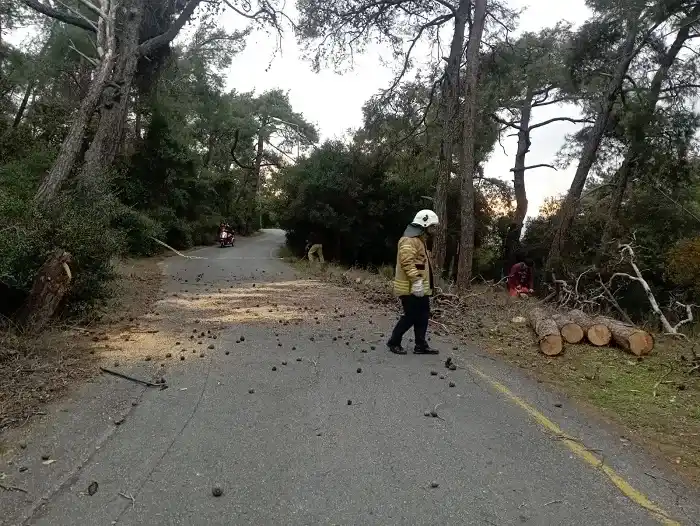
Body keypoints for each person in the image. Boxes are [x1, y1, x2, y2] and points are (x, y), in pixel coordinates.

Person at [387, 209, 440, 355]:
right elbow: (407, 262)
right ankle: (393, 342)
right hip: (410, 287)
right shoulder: (408, 240)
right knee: (410, 316)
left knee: (423, 315)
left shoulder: (418, 240)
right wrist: (416, 281)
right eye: (432, 226)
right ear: (424, 224)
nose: (434, 230)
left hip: (420, 288)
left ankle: (420, 345)